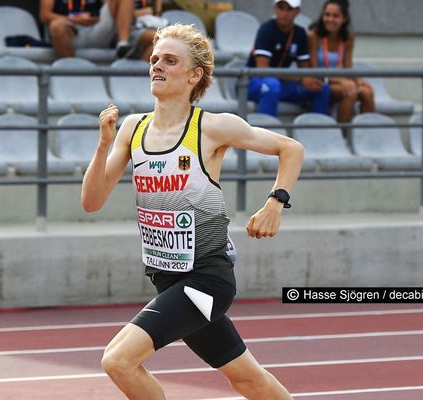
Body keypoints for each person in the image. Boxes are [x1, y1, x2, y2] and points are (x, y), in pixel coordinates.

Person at [81, 23, 303, 399]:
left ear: (194, 75)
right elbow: (91, 202)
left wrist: (275, 203)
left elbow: (291, 148)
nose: (157, 66)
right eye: (154, 59)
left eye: (170, 60)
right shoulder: (132, 128)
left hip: (206, 280)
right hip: (167, 279)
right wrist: (103, 145)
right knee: (249, 380)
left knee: (118, 360)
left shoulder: (211, 128)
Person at [246, 0, 330, 117]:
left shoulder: (300, 33)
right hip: (252, 82)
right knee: (272, 86)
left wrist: (309, 80)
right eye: (281, 8)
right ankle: (265, 133)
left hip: (281, 82)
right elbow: (262, 70)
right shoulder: (266, 29)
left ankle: (318, 133)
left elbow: (305, 68)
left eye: (289, 9)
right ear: (275, 9)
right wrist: (301, 79)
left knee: (321, 88)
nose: (284, 13)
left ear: (297, 12)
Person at [308, 0, 375, 123]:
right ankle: (341, 135)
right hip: (321, 82)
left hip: (340, 81)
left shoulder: (348, 37)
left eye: (335, 16)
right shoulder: (314, 35)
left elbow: (347, 68)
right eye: (327, 15)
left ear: (344, 19)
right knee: (350, 92)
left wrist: (357, 81)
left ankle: (368, 135)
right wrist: (341, 80)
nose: (330, 19)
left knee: (367, 92)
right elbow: (314, 70)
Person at [39, 0, 153, 59]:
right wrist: (75, 19)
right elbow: (45, 15)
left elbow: (117, 7)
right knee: (56, 26)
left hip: (98, 28)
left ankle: (123, 46)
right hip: (72, 30)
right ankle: (73, 73)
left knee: (160, 40)